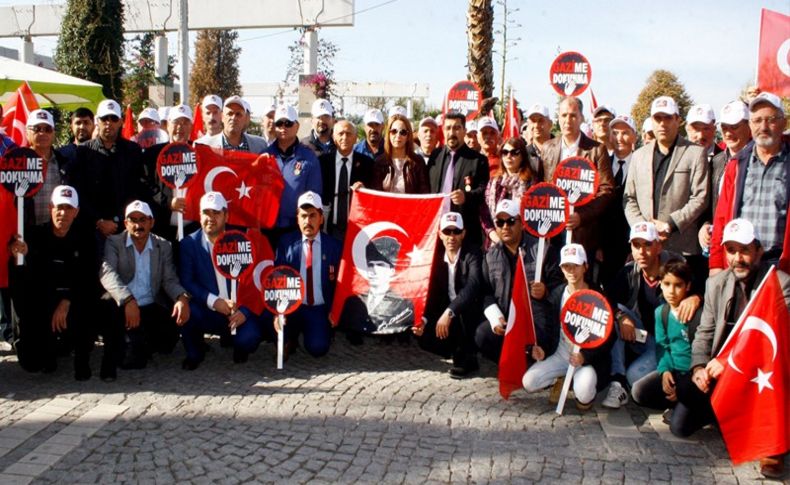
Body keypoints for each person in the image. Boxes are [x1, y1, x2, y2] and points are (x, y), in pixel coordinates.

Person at [677, 218, 790, 478]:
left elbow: (771, 340)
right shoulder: (715, 283)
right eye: (731, 250)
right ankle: (730, 418)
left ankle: (770, 446)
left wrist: (727, 361)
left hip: (762, 376)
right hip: (724, 375)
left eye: (744, 250)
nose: (737, 258)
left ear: (759, 251)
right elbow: (704, 334)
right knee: (681, 420)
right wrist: (699, 367)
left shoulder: (781, 284)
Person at [602, 221, 701, 409]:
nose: (642, 251)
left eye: (647, 244)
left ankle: (669, 377)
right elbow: (607, 299)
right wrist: (621, 316)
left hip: (668, 344)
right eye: (636, 245)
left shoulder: (676, 268)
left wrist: (696, 297)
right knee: (616, 312)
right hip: (645, 338)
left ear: (659, 246)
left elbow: (701, 288)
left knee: (635, 376)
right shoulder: (629, 271)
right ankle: (618, 381)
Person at [8, 185, 97, 380]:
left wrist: (66, 301)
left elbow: (89, 279)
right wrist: (17, 258)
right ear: (50, 208)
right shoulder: (33, 237)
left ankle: (81, 356)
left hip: (72, 303)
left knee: (90, 307)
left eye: (69, 208)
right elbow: (21, 281)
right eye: (59, 207)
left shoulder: (86, 239)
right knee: (32, 363)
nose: (63, 213)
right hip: (43, 305)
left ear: (77, 212)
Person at [98, 200, 190, 380]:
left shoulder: (163, 246)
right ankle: (109, 361)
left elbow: (169, 279)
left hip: (150, 305)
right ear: (126, 223)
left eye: (143, 220)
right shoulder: (114, 242)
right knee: (107, 302)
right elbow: (107, 273)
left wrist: (182, 297)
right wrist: (128, 300)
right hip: (124, 307)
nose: (138, 225)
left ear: (151, 222)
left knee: (167, 343)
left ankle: (139, 341)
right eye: (132, 220)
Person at [179, 192, 267, 369]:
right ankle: (195, 352)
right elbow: (187, 281)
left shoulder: (244, 242)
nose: (210, 218)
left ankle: (239, 345)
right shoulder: (189, 243)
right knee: (187, 309)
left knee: (249, 339)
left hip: (238, 311)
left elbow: (259, 279)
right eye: (206, 213)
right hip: (209, 309)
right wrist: (214, 301)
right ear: (199, 215)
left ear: (226, 215)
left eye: (216, 213)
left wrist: (245, 311)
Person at [522, 244, 614, 410]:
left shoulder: (598, 297)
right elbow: (549, 329)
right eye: (566, 266)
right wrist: (542, 349)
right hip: (561, 353)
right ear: (561, 269)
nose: (571, 271)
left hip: (584, 360)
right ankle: (561, 378)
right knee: (529, 382)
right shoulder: (557, 294)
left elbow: (608, 337)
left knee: (585, 397)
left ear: (585, 266)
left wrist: (585, 356)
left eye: (576, 265)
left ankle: (573, 382)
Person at [709, 92, 788, 273]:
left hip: (781, 266)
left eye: (771, 119)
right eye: (757, 120)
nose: (764, 126)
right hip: (740, 264)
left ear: (784, 123)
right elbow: (721, 219)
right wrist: (715, 265)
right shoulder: (736, 166)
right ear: (751, 125)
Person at [475, 199, 562, 363]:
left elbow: (560, 288)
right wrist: (495, 317)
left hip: (536, 321)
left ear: (522, 223)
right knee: (482, 335)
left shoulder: (543, 250)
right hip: (507, 319)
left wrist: (545, 291)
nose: (505, 227)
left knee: (540, 342)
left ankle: (528, 356)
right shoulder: (489, 255)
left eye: (511, 221)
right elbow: (486, 293)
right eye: (500, 222)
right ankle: (515, 359)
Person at [623, 96, 709, 262]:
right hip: (646, 250)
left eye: (668, 118)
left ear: (678, 120)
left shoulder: (696, 153)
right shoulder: (638, 156)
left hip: (681, 247)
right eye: (657, 118)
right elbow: (629, 199)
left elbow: (700, 198)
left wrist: (670, 224)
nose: (662, 124)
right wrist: (645, 230)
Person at [540, 96, 614, 261]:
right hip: (553, 234)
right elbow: (542, 187)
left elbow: (607, 190)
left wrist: (582, 217)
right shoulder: (547, 148)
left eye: (573, 115)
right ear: (558, 118)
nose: (568, 120)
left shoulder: (596, 150)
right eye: (564, 115)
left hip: (583, 235)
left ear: (581, 118)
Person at [631, 259, 700, 430]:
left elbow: (700, 350)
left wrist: (684, 383)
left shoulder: (697, 313)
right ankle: (678, 403)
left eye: (678, 285)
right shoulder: (661, 312)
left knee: (679, 423)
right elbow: (662, 346)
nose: (672, 291)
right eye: (667, 284)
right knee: (638, 392)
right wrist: (665, 371)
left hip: (693, 374)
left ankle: (687, 406)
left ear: (688, 286)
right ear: (660, 284)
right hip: (674, 372)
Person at [412, 212, 483, 378]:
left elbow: (473, 286)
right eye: (447, 232)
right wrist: (424, 320)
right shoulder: (435, 258)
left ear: (463, 233)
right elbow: (434, 295)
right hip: (447, 311)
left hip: (468, 311)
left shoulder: (473, 253)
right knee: (424, 337)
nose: (452, 237)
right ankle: (454, 348)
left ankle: (467, 356)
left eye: (456, 231)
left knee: (466, 320)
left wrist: (450, 311)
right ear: (439, 234)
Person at [71, 99, 149, 243]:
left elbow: (138, 188)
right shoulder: (83, 151)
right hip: (91, 229)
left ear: (120, 122)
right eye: (104, 118)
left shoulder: (133, 151)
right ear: (97, 121)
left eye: (113, 118)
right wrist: (98, 221)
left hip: (126, 226)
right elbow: (79, 190)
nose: (108, 123)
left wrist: (119, 219)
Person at [275, 192, 341, 358]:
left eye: (312, 216)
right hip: (293, 306)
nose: (307, 221)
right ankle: (291, 337)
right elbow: (276, 281)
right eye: (303, 216)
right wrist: (279, 312)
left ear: (321, 218)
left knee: (318, 349)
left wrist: (335, 309)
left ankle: (319, 331)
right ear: (297, 218)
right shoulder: (286, 244)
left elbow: (341, 284)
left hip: (318, 308)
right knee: (275, 332)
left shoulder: (334, 247)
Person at [427, 112, 490, 246]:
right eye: (448, 128)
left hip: (465, 233)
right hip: (436, 232)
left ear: (464, 131)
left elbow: (484, 192)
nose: (452, 132)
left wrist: (466, 196)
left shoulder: (478, 161)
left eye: (456, 128)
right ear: (443, 131)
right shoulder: (435, 157)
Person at [698, 101, 752, 255]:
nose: (728, 133)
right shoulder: (716, 161)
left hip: (747, 247)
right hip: (719, 245)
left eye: (734, 127)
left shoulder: (758, 161)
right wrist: (705, 225)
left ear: (749, 126)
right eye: (725, 127)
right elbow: (709, 203)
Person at [263, 105, 323, 239]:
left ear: (297, 126)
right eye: (279, 123)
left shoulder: (309, 157)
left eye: (288, 123)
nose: (283, 127)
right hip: (267, 228)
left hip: (296, 230)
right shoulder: (263, 157)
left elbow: (314, 195)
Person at [338, 235, 415, 336]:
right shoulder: (352, 301)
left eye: (380, 265)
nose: (373, 270)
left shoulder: (404, 306)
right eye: (370, 265)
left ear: (392, 271)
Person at [600, 115, 638, 286]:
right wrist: (597, 245)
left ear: (634, 136)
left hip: (630, 245)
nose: (619, 138)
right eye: (615, 133)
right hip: (604, 248)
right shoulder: (602, 163)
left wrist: (635, 247)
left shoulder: (643, 164)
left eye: (625, 133)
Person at [319, 120, 373, 240]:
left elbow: (373, 196)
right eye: (341, 134)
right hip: (329, 228)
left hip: (357, 229)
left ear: (355, 138)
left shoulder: (367, 164)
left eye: (348, 134)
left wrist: (365, 190)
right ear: (334, 138)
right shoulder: (323, 162)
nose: (344, 137)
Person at [480, 137, 536, 248]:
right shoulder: (493, 183)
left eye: (514, 152)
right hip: (496, 243)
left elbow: (535, 216)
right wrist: (494, 236)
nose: (509, 156)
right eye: (505, 152)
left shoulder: (532, 183)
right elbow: (484, 214)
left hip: (525, 243)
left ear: (523, 156)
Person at [23, 110, 72, 228]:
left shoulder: (64, 163)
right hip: (27, 232)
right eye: (36, 129)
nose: (42, 133)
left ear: (54, 133)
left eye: (48, 129)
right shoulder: (17, 163)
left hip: (56, 232)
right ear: (27, 133)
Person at [370, 114, 430, 194]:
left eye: (403, 132)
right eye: (394, 131)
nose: (398, 135)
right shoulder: (379, 162)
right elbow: (374, 195)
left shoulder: (417, 162)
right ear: (389, 134)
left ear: (408, 136)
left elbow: (424, 194)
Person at [197, 95, 267, 153]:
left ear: (245, 118)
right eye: (230, 113)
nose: (234, 118)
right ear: (222, 117)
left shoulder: (260, 145)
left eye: (238, 114)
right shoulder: (204, 146)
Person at [524, 103, 554, 177]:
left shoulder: (561, 149)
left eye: (541, 121)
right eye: (533, 121)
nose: (536, 125)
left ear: (550, 124)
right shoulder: (523, 153)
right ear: (528, 125)